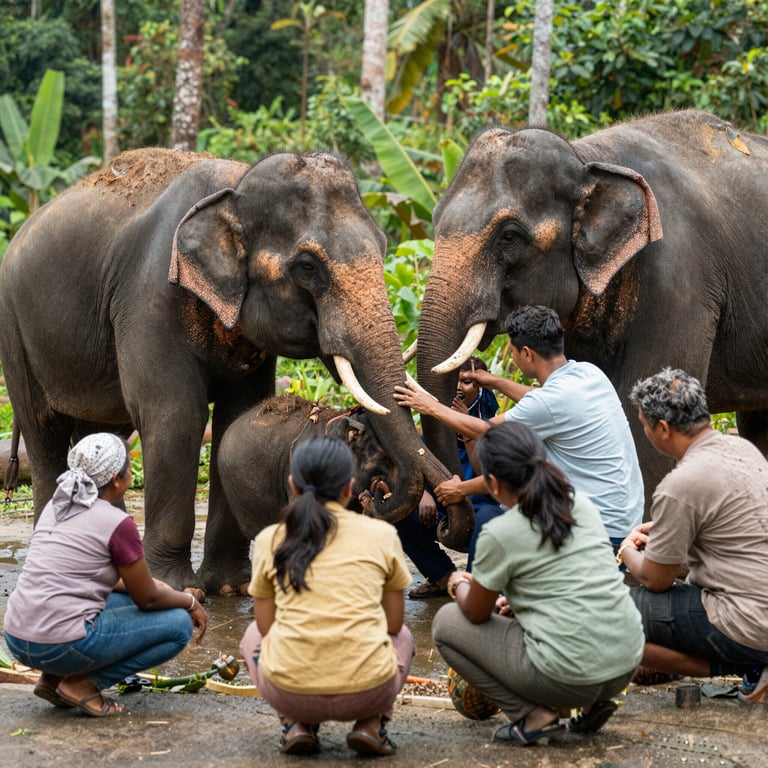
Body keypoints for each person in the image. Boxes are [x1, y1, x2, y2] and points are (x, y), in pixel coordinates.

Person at [432, 421, 643, 745]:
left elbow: (475, 613)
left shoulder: (500, 533)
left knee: (446, 623)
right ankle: (594, 702)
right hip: (626, 660)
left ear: (492, 483)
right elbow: (569, 581)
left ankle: (534, 716)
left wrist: (458, 582)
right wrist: (517, 603)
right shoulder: (579, 504)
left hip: (571, 674)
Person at [394, 304, 644, 554]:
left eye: (512, 351)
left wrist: (430, 406)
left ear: (526, 353)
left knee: (492, 526)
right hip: (626, 524)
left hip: (595, 531)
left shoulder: (549, 402)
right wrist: (493, 381)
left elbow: (486, 429)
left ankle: (482, 591)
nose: (512, 356)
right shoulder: (589, 374)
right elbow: (542, 397)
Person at [3, 433, 208, 717]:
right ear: (116, 479)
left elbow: (94, 578)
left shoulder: (56, 504)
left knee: (107, 602)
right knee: (178, 625)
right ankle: (82, 685)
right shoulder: (117, 522)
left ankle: (51, 679)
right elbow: (147, 598)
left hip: (16, 637)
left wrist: (160, 588)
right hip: (56, 645)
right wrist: (189, 602)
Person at [239, 437, 415, 757]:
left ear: (293, 486)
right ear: (349, 488)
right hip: (369, 691)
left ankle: (295, 724)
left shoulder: (269, 539)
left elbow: (265, 628)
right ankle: (371, 725)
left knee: (251, 636)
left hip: (291, 692)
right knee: (402, 636)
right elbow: (393, 622)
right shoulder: (382, 535)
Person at [619, 368, 768, 701]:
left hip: (745, 621)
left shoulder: (680, 484)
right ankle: (756, 664)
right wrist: (667, 528)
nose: (644, 432)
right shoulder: (742, 450)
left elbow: (655, 579)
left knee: (609, 610)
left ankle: (746, 664)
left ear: (663, 428)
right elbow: (735, 517)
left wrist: (627, 548)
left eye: (644, 425)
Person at [398, 357, 501, 598]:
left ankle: (472, 587)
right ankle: (442, 577)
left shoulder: (493, 426)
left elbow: (485, 472)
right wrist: (423, 495)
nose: (458, 387)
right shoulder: (437, 431)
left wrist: (467, 430)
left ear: (480, 388)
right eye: (453, 381)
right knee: (401, 513)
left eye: (466, 381)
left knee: (489, 516)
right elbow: (418, 464)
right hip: (444, 513)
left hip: (481, 514)